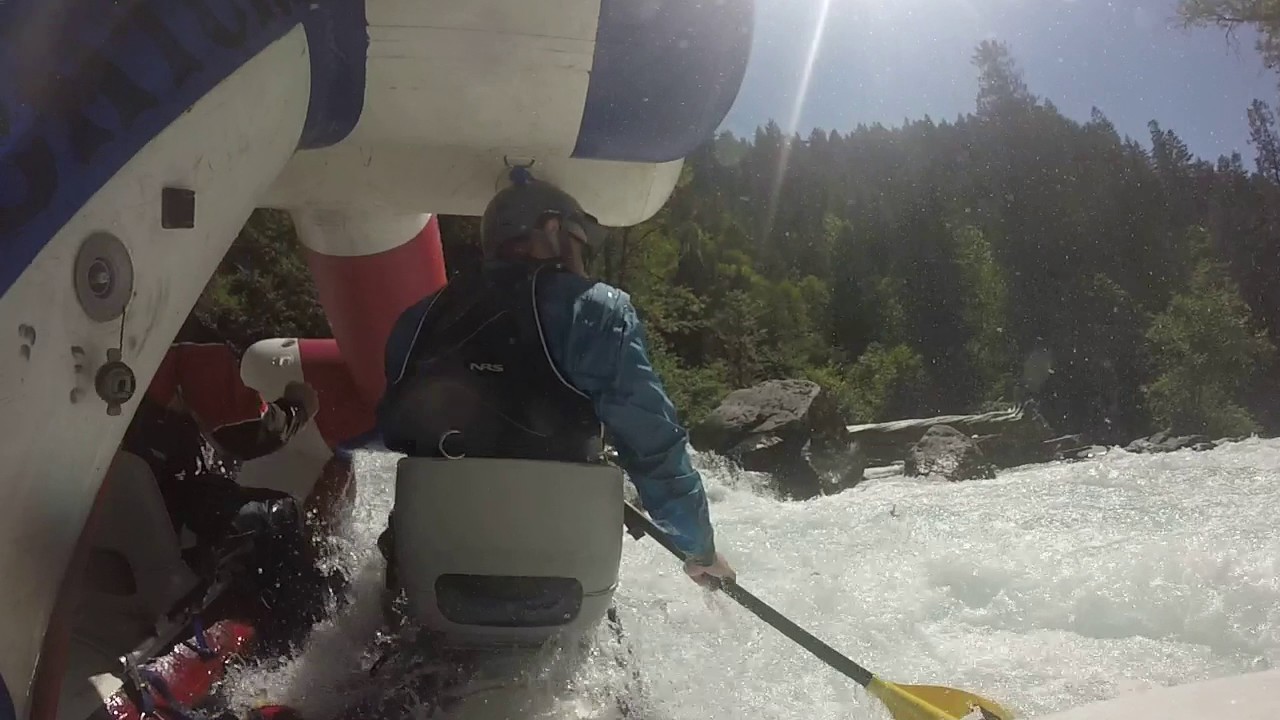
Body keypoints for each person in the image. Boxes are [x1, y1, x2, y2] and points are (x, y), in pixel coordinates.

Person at [374, 168, 734, 592]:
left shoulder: (417, 319)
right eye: (580, 246)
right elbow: (652, 448)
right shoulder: (596, 311)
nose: (583, 264)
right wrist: (699, 549)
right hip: (560, 576)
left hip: (430, 568)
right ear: (551, 230)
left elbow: (397, 428)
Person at [118, 312, 341, 655]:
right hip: (167, 522)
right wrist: (298, 405)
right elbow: (250, 432)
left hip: (119, 516)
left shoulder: (122, 352)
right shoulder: (185, 346)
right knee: (279, 513)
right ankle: (312, 635)